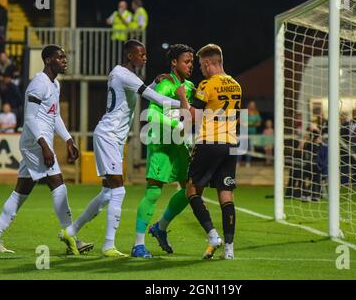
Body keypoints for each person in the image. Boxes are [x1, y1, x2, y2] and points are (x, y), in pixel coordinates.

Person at [61, 39, 181, 257]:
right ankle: (108, 246)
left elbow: (141, 92)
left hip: (112, 137)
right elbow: (153, 97)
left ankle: (71, 231)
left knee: (108, 193)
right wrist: (185, 104)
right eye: (141, 55)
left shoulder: (123, 74)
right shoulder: (123, 74)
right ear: (129, 56)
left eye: (145, 54)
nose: (145, 58)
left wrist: (153, 82)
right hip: (109, 135)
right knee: (118, 190)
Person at [0, 45, 92, 254]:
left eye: (65, 57)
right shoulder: (38, 84)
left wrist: (68, 139)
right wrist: (45, 146)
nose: (64, 61)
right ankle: (71, 238)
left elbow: (54, 115)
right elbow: (30, 118)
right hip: (35, 144)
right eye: (60, 58)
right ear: (48, 60)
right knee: (58, 185)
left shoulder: (55, 85)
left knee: (21, 191)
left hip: (40, 143)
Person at [175, 43, 241, 260]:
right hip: (231, 143)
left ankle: (213, 236)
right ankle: (229, 250)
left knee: (192, 190)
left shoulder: (207, 85)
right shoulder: (236, 85)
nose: (200, 70)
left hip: (209, 142)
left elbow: (192, 117)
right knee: (226, 194)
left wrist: (183, 97)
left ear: (208, 63)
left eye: (202, 65)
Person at [131, 44, 195, 258]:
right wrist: (177, 127)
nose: (190, 65)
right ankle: (138, 245)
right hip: (160, 142)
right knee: (154, 190)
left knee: (191, 190)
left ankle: (160, 227)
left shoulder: (190, 87)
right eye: (186, 61)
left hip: (179, 144)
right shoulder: (165, 84)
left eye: (192, 62)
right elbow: (151, 115)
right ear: (174, 62)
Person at [237, 100, 261, 167]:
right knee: (241, 147)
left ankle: (248, 162)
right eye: (250, 105)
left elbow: (258, 123)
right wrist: (244, 124)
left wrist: (249, 124)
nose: (252, 107)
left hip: (252, 134)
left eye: (253, 105)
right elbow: (238, 121)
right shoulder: (243, 112)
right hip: (243, 133)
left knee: (249, 148)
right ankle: (238, 162)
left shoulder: (256, 113)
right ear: (248, 105)